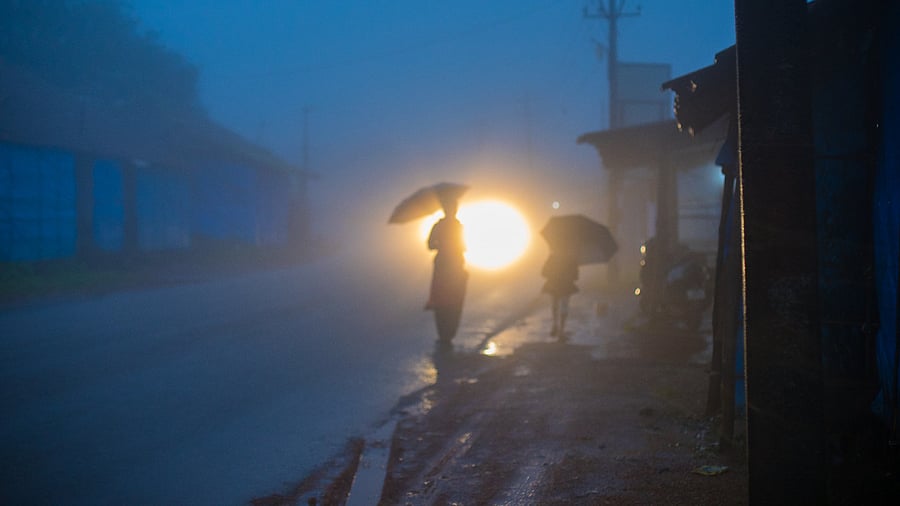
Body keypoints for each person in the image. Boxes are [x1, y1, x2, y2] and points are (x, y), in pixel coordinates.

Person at [425, 199, 468, 341]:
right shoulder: (443, 226)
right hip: (446, 264)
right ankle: (445, 332)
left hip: (453, 264)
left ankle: (448, 332)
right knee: (445, 297)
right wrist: (445, 245)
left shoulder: (456, 226)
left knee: (451, 297)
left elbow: (463, 245)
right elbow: (430, 245)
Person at [541, 249, 579, 340]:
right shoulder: (572, 258)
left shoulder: (553, 256)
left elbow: (544, 272)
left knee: (555, 304)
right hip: (566, 286)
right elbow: (576, 276)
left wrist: (554, 274)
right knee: (564, 306)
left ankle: (555, 325)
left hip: (554, 284)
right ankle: (561, 330)